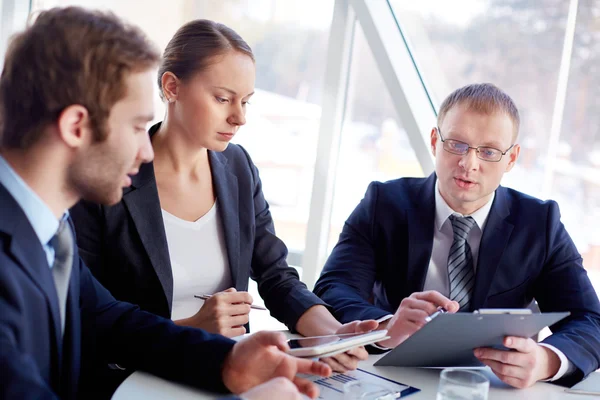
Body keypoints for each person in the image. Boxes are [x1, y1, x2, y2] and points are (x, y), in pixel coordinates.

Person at [0, 7, 332, 400]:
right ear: (76, 126)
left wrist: (226, 362)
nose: (145, 149)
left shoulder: (51, 229)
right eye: (138, 126)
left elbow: (107, 317)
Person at [70, 18, 375, 379]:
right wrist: (190, 328)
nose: (239, 116)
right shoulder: (108, 177)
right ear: (172, 87)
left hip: (227, 372)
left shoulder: (238, 167)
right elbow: (85, 318)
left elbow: (277, 277)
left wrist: (334, 333)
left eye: (245, 101)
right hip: (136, 378)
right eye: (222, 98)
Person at [313, 83, 600, 388]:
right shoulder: (384, 204)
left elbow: (591, 321)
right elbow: (333, 289)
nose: (468, 164)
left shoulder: (540, 223)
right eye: (457, 144)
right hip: (386, 379)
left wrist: (546, 360)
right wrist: (387, 326)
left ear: (511, 159)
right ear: (435, 141)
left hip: (493, 388)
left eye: (489, 151)